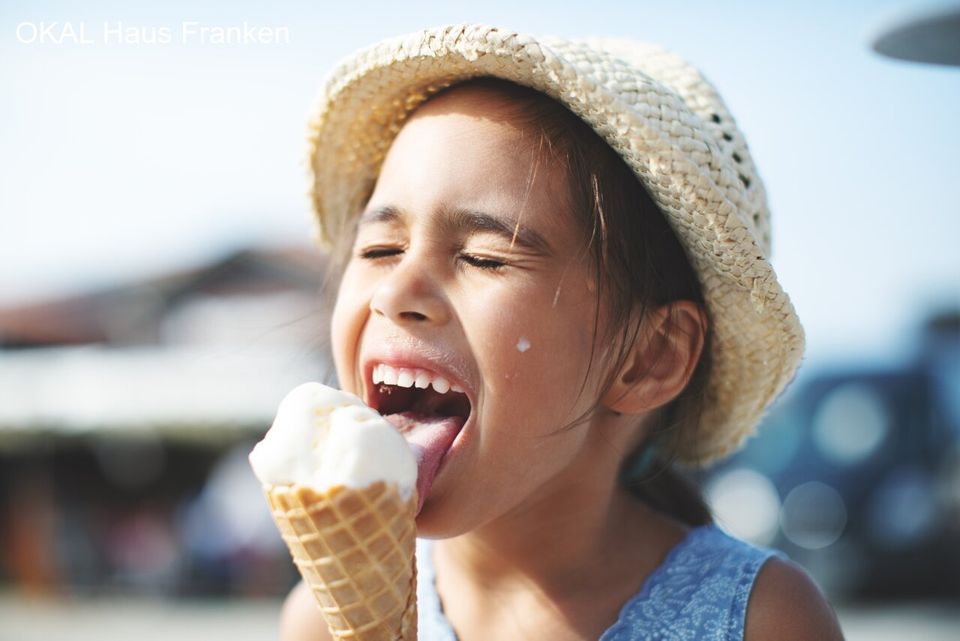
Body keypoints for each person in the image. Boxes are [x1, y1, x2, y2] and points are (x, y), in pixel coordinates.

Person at [280, 24, 844, 641]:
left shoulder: (765, 618)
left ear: (648, 358)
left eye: (485, 257)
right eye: (382, 247)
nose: (394, 293)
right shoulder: (319, 621)